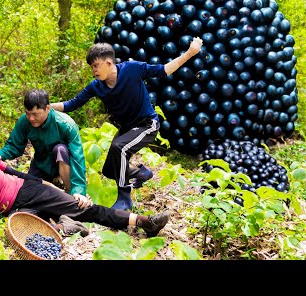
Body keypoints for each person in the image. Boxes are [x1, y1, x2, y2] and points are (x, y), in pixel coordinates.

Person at [51, 37, 203, 211]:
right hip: (127, 128)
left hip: (147, 124)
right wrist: (47, 107)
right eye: (91, 67)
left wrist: (190, 52)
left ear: (108, 62)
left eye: (96, 65)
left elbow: (164, 70)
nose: (93, 71)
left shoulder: (132, 69)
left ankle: (124, 198)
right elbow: (72, 104)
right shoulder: (96, 86)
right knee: (110, 170)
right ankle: (141, 172)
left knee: (118, 147)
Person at [0, 155, 171, 238]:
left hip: (29, 190)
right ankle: (64, 226)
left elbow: (15, 173)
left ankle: (142, 222)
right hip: (16, 210)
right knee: (29, 230)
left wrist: (44, 183)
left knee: (85, 208)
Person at [0, 89, 91, 208]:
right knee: (29, 196)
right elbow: (14, 146)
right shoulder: (25, 121)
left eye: (35, 114)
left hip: (62, 164)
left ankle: (71, 196)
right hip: (40, 164)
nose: (31, 118)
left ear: (47, 109)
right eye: (28, 113)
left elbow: (77, 158)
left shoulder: (66, 125)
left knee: (60, 149)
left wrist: (79, 191)